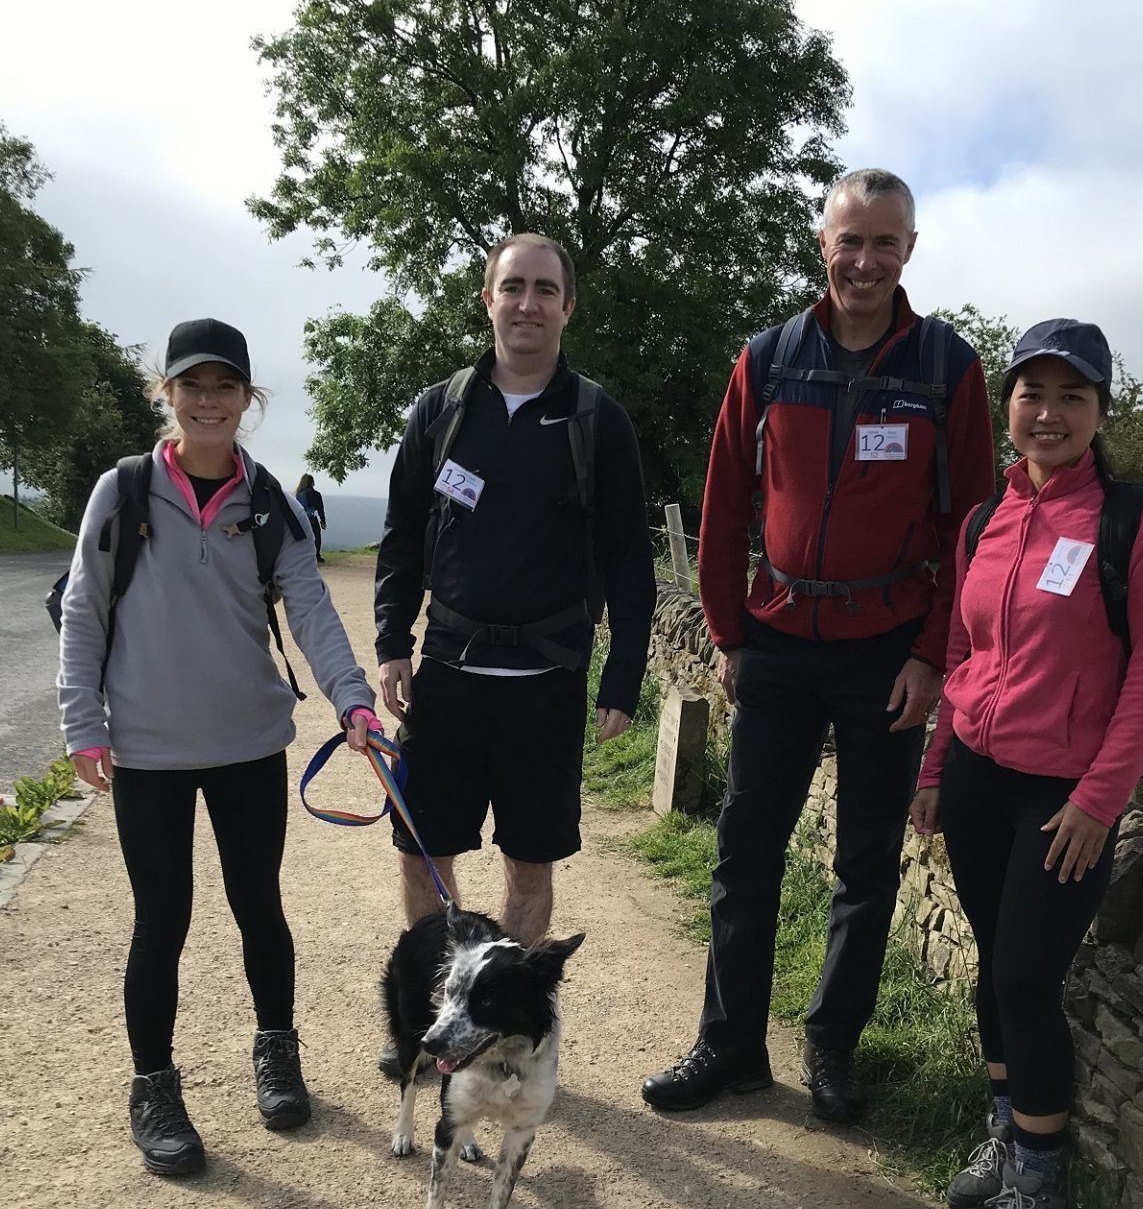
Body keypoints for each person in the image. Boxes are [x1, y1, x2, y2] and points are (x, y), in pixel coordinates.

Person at [642, 169, 996, 1119]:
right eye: (851, 240)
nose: (866, 262)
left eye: (885, 243)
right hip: (779, 641)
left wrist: (933, 655)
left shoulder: (948, 371)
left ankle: (832, 1047)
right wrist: (727, 631)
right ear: (823, 245)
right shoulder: (767, 358)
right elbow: (723, 507)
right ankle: (729, 1047)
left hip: (887, 650)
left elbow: (972, 526)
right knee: (743, 850)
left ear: (909, 252)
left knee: (866, 862)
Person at [57, 318, 380, 1179]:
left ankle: (276, 1050)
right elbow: (86, 610)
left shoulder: (265, 501)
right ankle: (154, 1088)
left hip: (246, 742)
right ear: (167, 394)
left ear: (247, 399)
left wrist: (354, 701)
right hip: (149, 751)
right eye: (191, 386)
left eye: (224, 387)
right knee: (161, 921)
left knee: (258, 905)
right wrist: (81, 723)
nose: (208, 401)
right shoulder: (122, 491)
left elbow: (310, 606)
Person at [909, 320, 1143, 1209]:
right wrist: (940, 768)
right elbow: (962, 654)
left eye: (1073, 396)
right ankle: (1004, 1128)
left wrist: (1099, 800)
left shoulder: (1135, 523)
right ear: (1009, 408)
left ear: (1101, 412)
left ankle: (1040, 1176)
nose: (1049, 413)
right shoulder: (984, 523)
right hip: (982, 777)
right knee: (996, 962)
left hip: (1066, 795)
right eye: (1033, 393)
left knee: (1026, 976)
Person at [375, 232, 655, 945]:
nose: (527, 304)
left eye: (544, 291)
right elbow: (403, 535)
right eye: (513, 288)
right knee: (422, 854)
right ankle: (445, 1019)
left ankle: (502, 1030)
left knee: (529, 867)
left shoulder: (599, 421)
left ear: (567, 308)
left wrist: (621, 677)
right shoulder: (440, 412)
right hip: (447, 676)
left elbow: (628, 559)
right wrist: (390, 643)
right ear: (488, 299)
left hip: (546, 684)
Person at [296, 472, 327, 560]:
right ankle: (316, 555)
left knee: (303, 537)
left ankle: (303, 556)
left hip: (301, 518)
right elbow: (320, 509)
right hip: (312, 518)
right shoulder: (316, 494)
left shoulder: (299, 494)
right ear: (312, 482)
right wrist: (323, 521)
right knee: (316, 536)